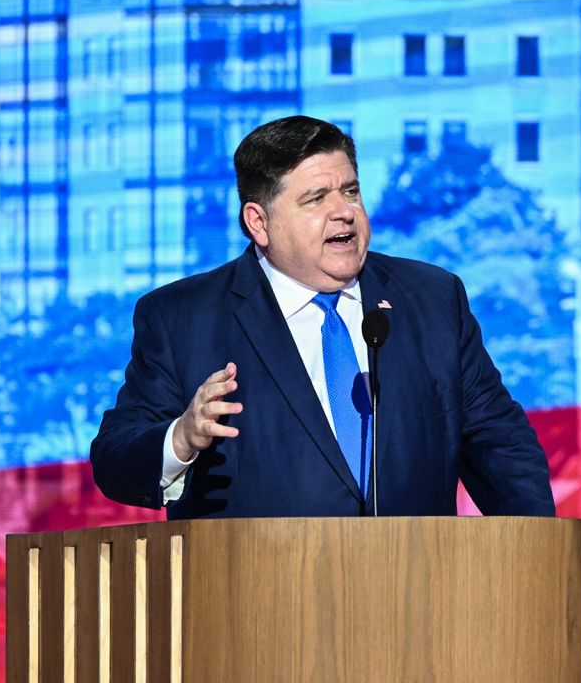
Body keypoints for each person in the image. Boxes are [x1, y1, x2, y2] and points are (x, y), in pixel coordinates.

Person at [91, 116, 554, 519]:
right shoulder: (182, 318)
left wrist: (538, 561)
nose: (344, 213)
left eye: (350, 191)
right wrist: (183, 437)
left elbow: (502, 449)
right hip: (256, 603)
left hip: (417, 597)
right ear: (259, 222)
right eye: (316, 199)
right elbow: (115, 460)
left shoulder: (431, 300)